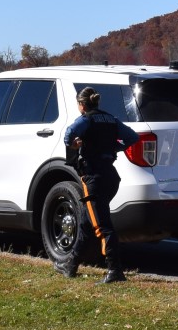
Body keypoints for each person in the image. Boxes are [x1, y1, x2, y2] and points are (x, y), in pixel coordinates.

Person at [60, 87, 139, 282]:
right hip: (111, 177)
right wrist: (115, 147)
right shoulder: (111, 119)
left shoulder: (86, 119)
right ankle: (70, 265)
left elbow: (68, 135)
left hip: (93, 177)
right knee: (88, 222)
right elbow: (133, 138)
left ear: (82, 105)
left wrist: (76, 145)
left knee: (102, 226)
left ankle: (115, 270)